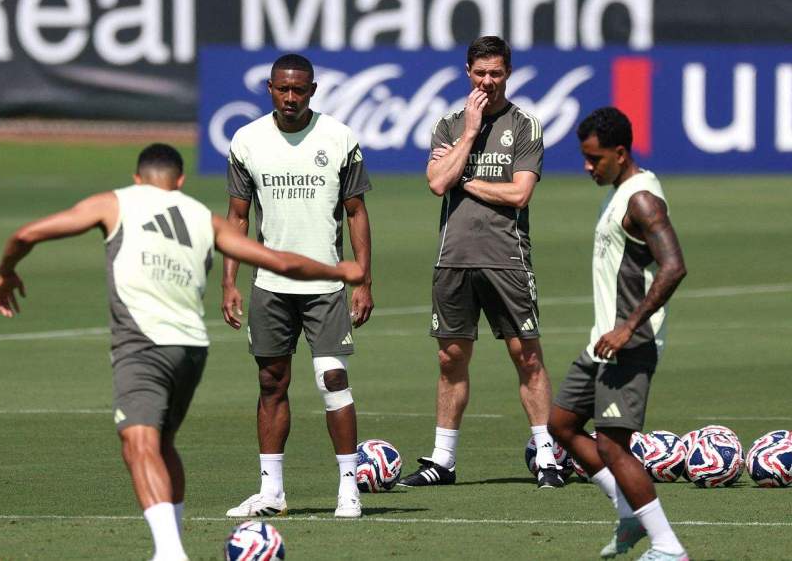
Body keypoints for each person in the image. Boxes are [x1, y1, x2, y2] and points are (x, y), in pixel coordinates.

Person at [0, 143, 363, 561]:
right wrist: (338, 270)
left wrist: (6, 273)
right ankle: (172, 545)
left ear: (137, 178)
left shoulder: (115, 203)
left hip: (143, 344)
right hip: (191, 350)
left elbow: (25, 235)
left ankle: (170, 553)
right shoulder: (203, 217)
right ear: (180, 181)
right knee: (162, 444)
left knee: (138, 443)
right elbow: (280, 262)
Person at [400, 36, 563, 489]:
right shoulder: (449, 125)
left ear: (508, 73)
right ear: (467, 72)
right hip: (453, 257)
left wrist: (463, 177)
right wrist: (470, 134)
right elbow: (436, 184)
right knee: (450, 357)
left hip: (507, 256)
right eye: (480, 73)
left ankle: (547, 457)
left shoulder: (525, 124)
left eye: (496, 73)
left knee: (526, 355)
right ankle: (442, 460)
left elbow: (519, 193)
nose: (487, 81)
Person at [221, 53, 374, 519]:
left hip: (326, 283)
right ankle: (271, 492)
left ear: (313, 90)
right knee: (271, 382)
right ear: (270, 88)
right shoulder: (247, 141)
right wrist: (229, 281)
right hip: (270, 285)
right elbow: (237, 218)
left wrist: (363, 280)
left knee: (332, 379)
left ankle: (349, 488)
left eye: (299, 89)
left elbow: (356, 212)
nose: (291, 97)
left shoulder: (339, 137)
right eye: (283, 89)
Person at [548, 107, 688, 561]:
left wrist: (629, 327)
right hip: (602, 344)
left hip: (629, 345)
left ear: (621, 153)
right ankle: (630, 512)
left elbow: (674, 267)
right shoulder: (621, 193)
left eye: (595, 159)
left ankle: (668, 546)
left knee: (612, 444)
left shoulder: (642, 200)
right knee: (561, 424)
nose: (587, 166)